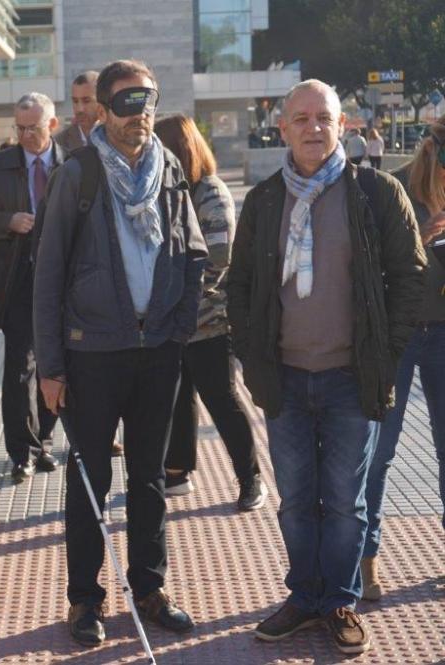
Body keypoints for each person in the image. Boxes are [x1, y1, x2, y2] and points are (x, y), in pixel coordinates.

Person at [227, 79, 424, 655]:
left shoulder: (377, 194)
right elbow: (239, 284)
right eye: (302, 118)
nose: (314, 127)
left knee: (344, 499)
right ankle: (304, 596)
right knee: (295, 498)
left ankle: (339, 600)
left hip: (350, 378)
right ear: (283, 127)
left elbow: (410, 280)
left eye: (324, 118)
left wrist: (384, 357)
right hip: (284, 378)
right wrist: (251, 354)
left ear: (344, 126)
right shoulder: (264, 200)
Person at [35, 59, 206, 646]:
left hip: (156, 350)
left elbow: (193, 252)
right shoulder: (77, 174)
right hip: (91, 354)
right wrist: (51, 367)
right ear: (101, 110)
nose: (140, 113)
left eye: (148, 99)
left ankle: (150, 588)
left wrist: (179, 327)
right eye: (127, 102)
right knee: (89, 483)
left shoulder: (171, 167)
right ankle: (85, 600)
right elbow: (48, 274)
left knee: (150, 479)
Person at [153, 115, 267, 510]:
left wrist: (174, 295)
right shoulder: (167, 191)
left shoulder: (210, 193)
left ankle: (250, 477)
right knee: (175, 395)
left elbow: (218, 259)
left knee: (222, 398)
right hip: (171, 320)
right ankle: (177, 471)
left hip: (208, 320)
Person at [361, 118, 445, 601]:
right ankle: (368, 561)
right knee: (379, 452)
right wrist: (423, 240)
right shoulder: (393, 188)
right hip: (398, 334)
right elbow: (367, 265)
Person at [0, 92, 65, 484]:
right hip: (16, 276)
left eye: (35, 127)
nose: (27, 135)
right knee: (19, 368)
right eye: (21, 128)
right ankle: (20, 451)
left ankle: (45, 440)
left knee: (56, 363)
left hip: (63, 278)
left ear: (52, 126)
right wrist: (6, 221)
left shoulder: (73, 165)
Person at [55, 71, 100, 153]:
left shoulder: (117, 136)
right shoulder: (59, 143)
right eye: (75, 101)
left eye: (86, 101)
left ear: (101, 100)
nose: (80, 109)